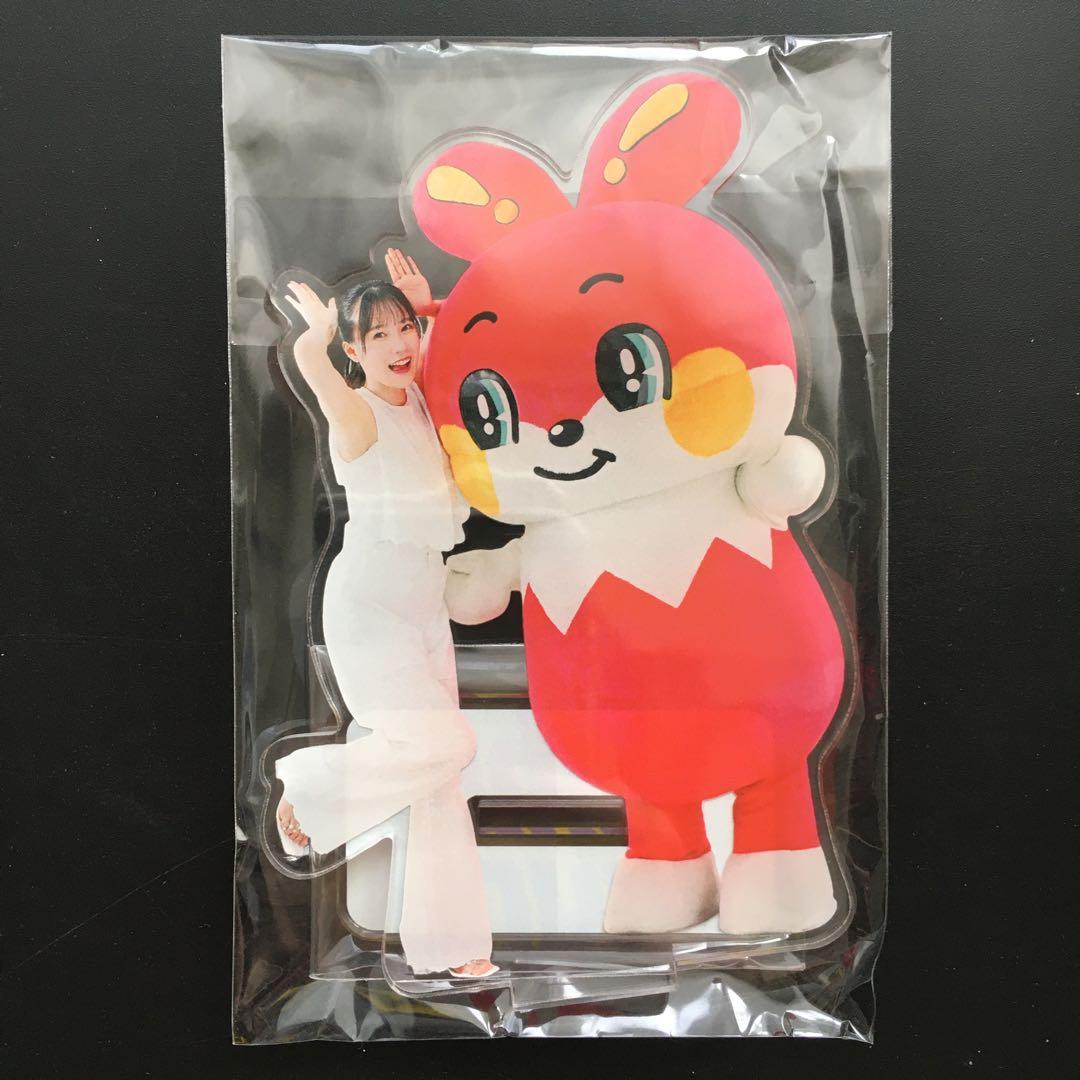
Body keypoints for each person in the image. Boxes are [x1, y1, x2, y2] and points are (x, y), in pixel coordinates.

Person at [274, 250, 496, 979]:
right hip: (368, 607)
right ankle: (311, 785)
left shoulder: (419, 400)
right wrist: (314, 338)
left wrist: (426, 307)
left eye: (405, 329)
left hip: (423, 604)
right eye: (379, 335)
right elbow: (311, 368)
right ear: (353, 349)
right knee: (449, 744)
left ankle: (454, 948)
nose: (400, 344)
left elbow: (445, 359)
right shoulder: (358, 415)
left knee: (439, 779)